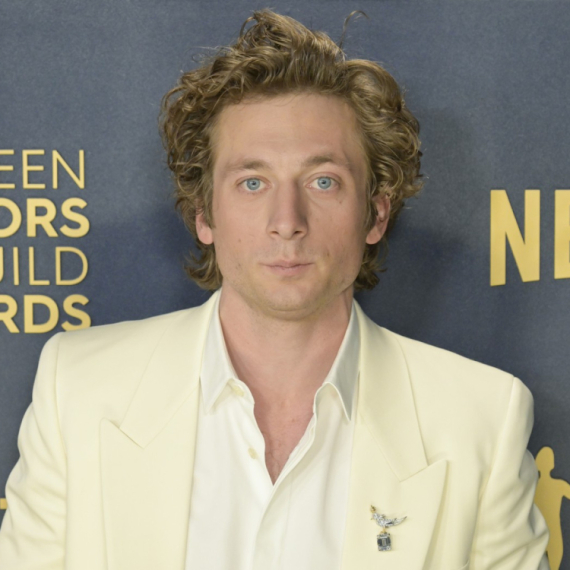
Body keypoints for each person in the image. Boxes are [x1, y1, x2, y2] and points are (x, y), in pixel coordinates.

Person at [0, 9, 549, 570]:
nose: (287, 221)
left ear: (376, 215)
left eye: (323, 181)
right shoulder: (78, 392)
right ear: (204, 214)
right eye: (253, 182)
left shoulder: (482, 422)